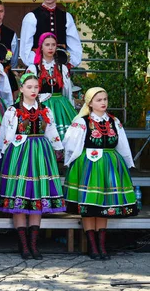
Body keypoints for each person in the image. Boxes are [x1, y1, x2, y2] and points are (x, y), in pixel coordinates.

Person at [63, 87, 137, 260]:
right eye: (99, 100)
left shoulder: (114, 121)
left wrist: (126, 163)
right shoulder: (82, 122)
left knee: (104, 207)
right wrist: (72, 162)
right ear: (89, 103)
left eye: (105, 99)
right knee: (89, 206)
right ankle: (92, 246)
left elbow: (123, 144)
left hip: (109, 166)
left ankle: (101, 246)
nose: (103, 103)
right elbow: (71, 144)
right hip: (88, 166)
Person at [0, 73, 65, 260]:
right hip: (19, 154)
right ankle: (23, 245)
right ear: (21, 89)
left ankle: (34, 244)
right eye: (29, 87)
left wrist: (58, 148)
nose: (33, 90)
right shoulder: (12, 111)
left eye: (36, 87)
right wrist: (3, 153)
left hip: (40, 153)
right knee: (19, 197)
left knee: (37, 198)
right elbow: (6, 133)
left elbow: (52, 131)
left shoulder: (45, 110)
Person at [20, 0, 82, 68]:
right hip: (38, 65)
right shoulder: (31, 17)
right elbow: (25, 46)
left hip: (61, 64)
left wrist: (69, 62)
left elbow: (74, 44)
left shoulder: (66, 17)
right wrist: (36, 63)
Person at [25, 32, 76, 140]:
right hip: (41, 105)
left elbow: (68, 91)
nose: (50, 48)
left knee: (65, 137)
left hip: (60, 106)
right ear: (41, 47)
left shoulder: (62, 68)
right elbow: (27, 91)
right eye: (47, 45)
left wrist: (70, 107)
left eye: (53, 45)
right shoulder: (34, 68)